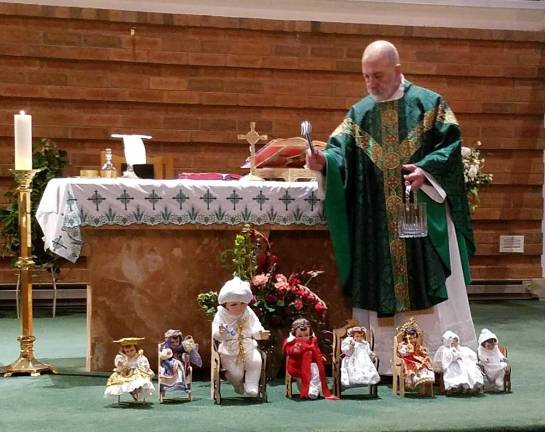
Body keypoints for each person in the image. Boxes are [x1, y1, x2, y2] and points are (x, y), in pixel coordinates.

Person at [306, 39, 476, 371]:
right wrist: (323, 160)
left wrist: (426, 172)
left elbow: (451, 149)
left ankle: (441, 356)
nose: (371, 84)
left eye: (379, 76)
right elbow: (341, 153)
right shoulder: (359, 113)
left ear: (398, 71)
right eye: (366, 76)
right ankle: (381, 361)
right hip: (376, 221)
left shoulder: (431, 105)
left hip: (420, 213)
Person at [212, 276, 271, 397]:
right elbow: (216, 334)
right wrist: (221, 332)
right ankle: (237, 383)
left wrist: (260, 333)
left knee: (256, 361)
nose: (239, 307)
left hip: (248, 345)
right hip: (229, 349)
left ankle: (251, 385)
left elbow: (255, 325)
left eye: (243, 304)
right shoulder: (221, 314)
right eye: (234, 304)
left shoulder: (248, 312)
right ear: (225, 304)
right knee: (236, 373)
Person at [283, 318, 338, 400]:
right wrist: (296, 350)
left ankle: (313, 390)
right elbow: (289, 351)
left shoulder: (312, 341)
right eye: (300, 336)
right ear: (294, 335)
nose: (303, 338)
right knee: (312, 370)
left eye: (306, 335)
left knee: (317, 371)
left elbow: (316, 351)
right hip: (297, 366)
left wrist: (320, 356)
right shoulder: (292, 342)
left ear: (310, 333)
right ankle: (309, 390)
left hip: (312, 365)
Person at [104, 337, 155, 402]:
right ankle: (133, 392)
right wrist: (121, 364)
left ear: (136, 349)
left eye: (132, 350)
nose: (130, 353)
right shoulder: (121, 357)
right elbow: (120, 366)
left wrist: (144, 368)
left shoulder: (140, 357)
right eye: (127, 351)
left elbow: (145, 366)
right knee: (120, 381)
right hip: (125, 373)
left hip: (137, 372)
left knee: (139, 381)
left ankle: (137, 391)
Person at [159, 329, 202, 397]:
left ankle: (182, 384)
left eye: (177, 342)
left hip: (181, 364)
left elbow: (186, 355)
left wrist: (185, 356)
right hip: (168, 364)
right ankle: (169, 385)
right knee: (172, 367)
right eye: (173, 342)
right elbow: (163, 357)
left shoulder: (182, 347)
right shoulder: (166, 347)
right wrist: (167, 356)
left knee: (179, 368)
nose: (175, 344)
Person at [396, 324, 434, 393]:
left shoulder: (416, 343)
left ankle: (422, 382)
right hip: (407, 359)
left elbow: (419, 349)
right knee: (414, 366)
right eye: (410, 338)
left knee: (424, 362)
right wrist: (407, 351)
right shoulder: (403, 344)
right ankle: (413, 380)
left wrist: (423, 351)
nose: (413, 340)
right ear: (406, 337)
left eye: (414, 337)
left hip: (416, 357)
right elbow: (401, 352)